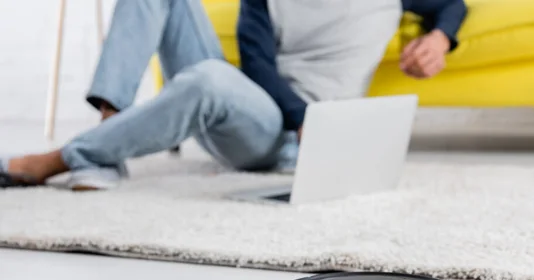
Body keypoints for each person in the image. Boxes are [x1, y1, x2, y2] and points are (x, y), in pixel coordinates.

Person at [0, 0, 467, 190]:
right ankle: (107, 143)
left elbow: (452, 4)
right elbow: (258, 65)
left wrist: (439, 39)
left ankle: (56, 160)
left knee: (209, 79)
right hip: (266, 114)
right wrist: (300, 114)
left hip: (297, 144)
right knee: (211, 76)